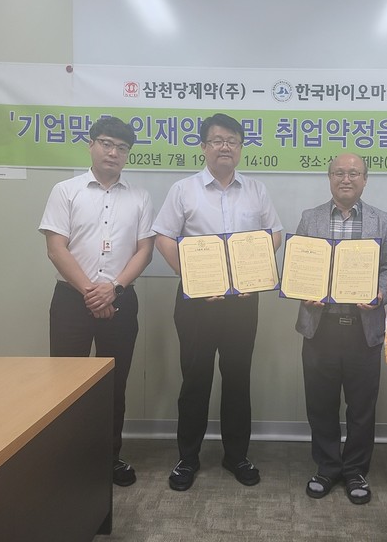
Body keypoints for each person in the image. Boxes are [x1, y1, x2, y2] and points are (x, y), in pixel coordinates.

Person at [152, 113, 283, 491]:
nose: (226, 147)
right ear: (204, 147)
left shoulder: (256, 190)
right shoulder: (183, 190)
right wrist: (193, 277)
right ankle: (187, 458)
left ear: (240, 148)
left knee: (238, 378)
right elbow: (163, 237)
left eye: (233, 141)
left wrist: (253, 271)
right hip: (196, 302)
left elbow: (274, 233)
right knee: (195, 379)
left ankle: (236, 455)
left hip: (242, 301)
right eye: (218, 140)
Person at [39, 116, 156, 487]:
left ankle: (110, 458)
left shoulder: (140, 197)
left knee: (113, 385)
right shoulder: (66, 191)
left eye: (122, 147)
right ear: (91, 145)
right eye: (106, 143)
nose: (113, 152)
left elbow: (145, 250)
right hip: (71, 301)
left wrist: (114, 288)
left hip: (121, 300)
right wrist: (92, 291)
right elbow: (56, 248)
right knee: (66, 385)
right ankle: (66, 459)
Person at [295, 153, 387, 505]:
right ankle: (327, 467)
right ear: (329, 178)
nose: (346, 179)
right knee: (320, 403)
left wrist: (381, 292)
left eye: (354, 173)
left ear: (365, 179)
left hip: (362, 328)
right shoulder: (310, 218)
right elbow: (299, 264)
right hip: (320, 327)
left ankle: (355, 470)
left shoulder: (383, 220)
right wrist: (304, 290)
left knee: (362, 406)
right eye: (339, 172)